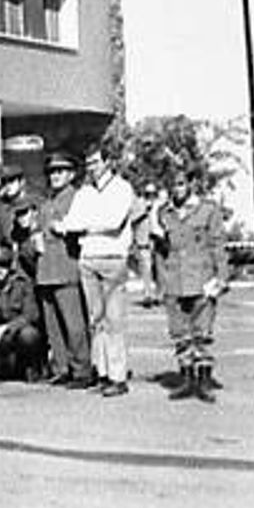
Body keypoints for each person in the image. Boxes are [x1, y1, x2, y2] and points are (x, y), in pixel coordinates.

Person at [60, 144, 137, 397]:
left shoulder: (121, 189)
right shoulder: (84, 192)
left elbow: (114, 221)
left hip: (112, 257)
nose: (92, 168)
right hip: (89, 258)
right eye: (89, 163)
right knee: (97, 321)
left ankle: (118, 376)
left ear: (107, 162)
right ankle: (103, 373)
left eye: (95, 162)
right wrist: (86, 224)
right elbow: (70, 223)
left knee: (114, 320)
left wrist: (86, 224)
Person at [153, 171, 229, 403]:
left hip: (201, 279)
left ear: (190, 185)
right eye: (172, 185)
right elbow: (159, 251)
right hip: (174, 280)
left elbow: (218, 245)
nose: (177, 189)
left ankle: (204, 383)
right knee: (180, 335)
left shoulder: (208, 210)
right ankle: (187, 380)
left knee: (202, 334)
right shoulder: (163, 213)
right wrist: (158, 284)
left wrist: (221, 277)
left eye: (181, 184)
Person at [34, 152, 93, 388]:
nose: (55, 177)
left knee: (74, 324)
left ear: (71, 174)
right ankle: (62, 367)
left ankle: (82, 369)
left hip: (66, 266)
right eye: (51, 173)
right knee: (53, 326)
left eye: (60, 172)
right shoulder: (46, 202)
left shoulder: (76, 199)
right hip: (46, 268)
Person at [0, 243, 44, 381]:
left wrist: (8, 328)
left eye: (4, 266)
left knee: (29, 335)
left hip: (15, 329)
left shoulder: (22, 283)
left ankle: (30, 366)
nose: (0, 270)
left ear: (10, 266)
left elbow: (31, 313)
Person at [131, 181, 164, 307]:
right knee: (146, 269)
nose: (150, 196)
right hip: (143, 241)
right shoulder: (138, 203)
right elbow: (132, 220)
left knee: (160, 270)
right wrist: (144, 212)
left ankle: (160, 295)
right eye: (148, 193)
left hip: (157, 241)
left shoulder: (159, 204)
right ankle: (147, 295)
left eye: (153, 193)